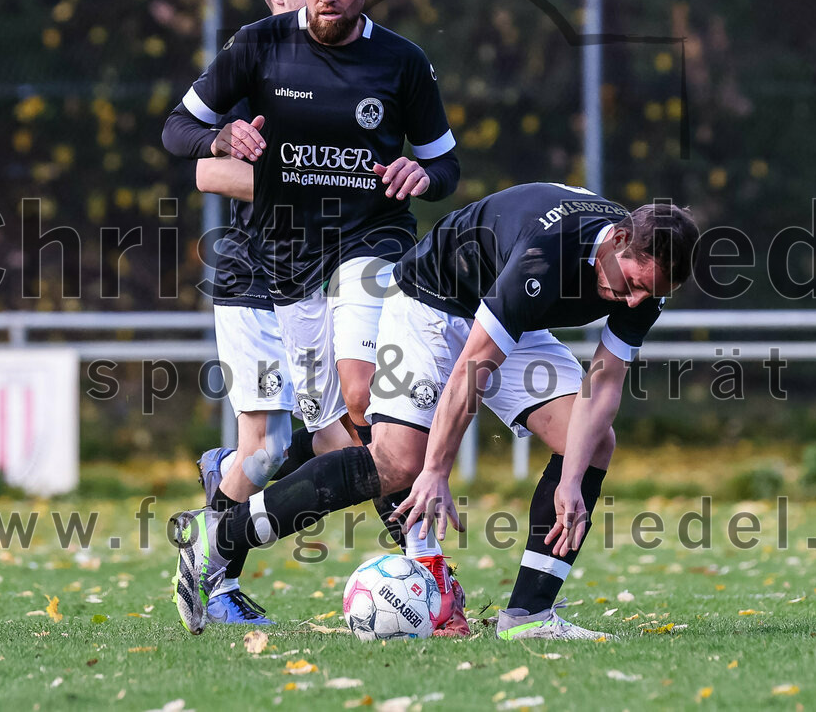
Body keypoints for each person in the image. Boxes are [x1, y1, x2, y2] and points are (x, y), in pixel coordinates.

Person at [170, 182, 700, 640]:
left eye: (647, 295)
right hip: (432, 299)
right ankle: (219, 536)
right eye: (631, 283)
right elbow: (474, 369)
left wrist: (573, 478)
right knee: (397, 463)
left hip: (511, 315)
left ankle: (530, 613)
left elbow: (604, 384)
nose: (632, 302)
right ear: (621, 240)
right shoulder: (547, 253)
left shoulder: (646, 280)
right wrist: (436, 471)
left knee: (594, 442)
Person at [163, 0, 464, 628]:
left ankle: (427, 573)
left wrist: (422, 172)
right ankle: (220, 552)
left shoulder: (403, 62)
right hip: (273, 265)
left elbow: (446, 164)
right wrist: (219, 136)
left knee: (360, 401)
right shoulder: (258, 46)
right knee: (286, 446)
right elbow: (182, 135)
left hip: (369, 244)